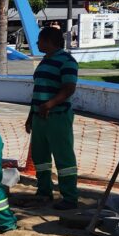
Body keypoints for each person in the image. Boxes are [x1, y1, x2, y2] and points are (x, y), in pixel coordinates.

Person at [25, 27, 80, 210]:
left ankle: (70, 197)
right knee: (40, 158)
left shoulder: (67, 61)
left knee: (64, 158)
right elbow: (37, 91)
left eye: (39, 40)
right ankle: (43, 192)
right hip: (39, 118)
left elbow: (69, 88)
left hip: (58, 117)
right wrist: (31, 116)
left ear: (48, 40)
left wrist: (50, 104)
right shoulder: (44, 61)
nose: (37, 44)